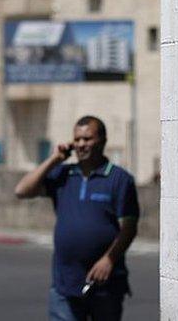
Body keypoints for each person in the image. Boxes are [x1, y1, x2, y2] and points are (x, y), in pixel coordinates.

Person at [15, 116, 140, 321]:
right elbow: (21, 191)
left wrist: (109, 259)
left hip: (105, 286)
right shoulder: (63, 174)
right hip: (65, 285)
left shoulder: (119, 179)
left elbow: (129, 227)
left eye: (88, 139)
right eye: (77, 139)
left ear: (102, 141)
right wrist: (54, 159)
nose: (81, 144)